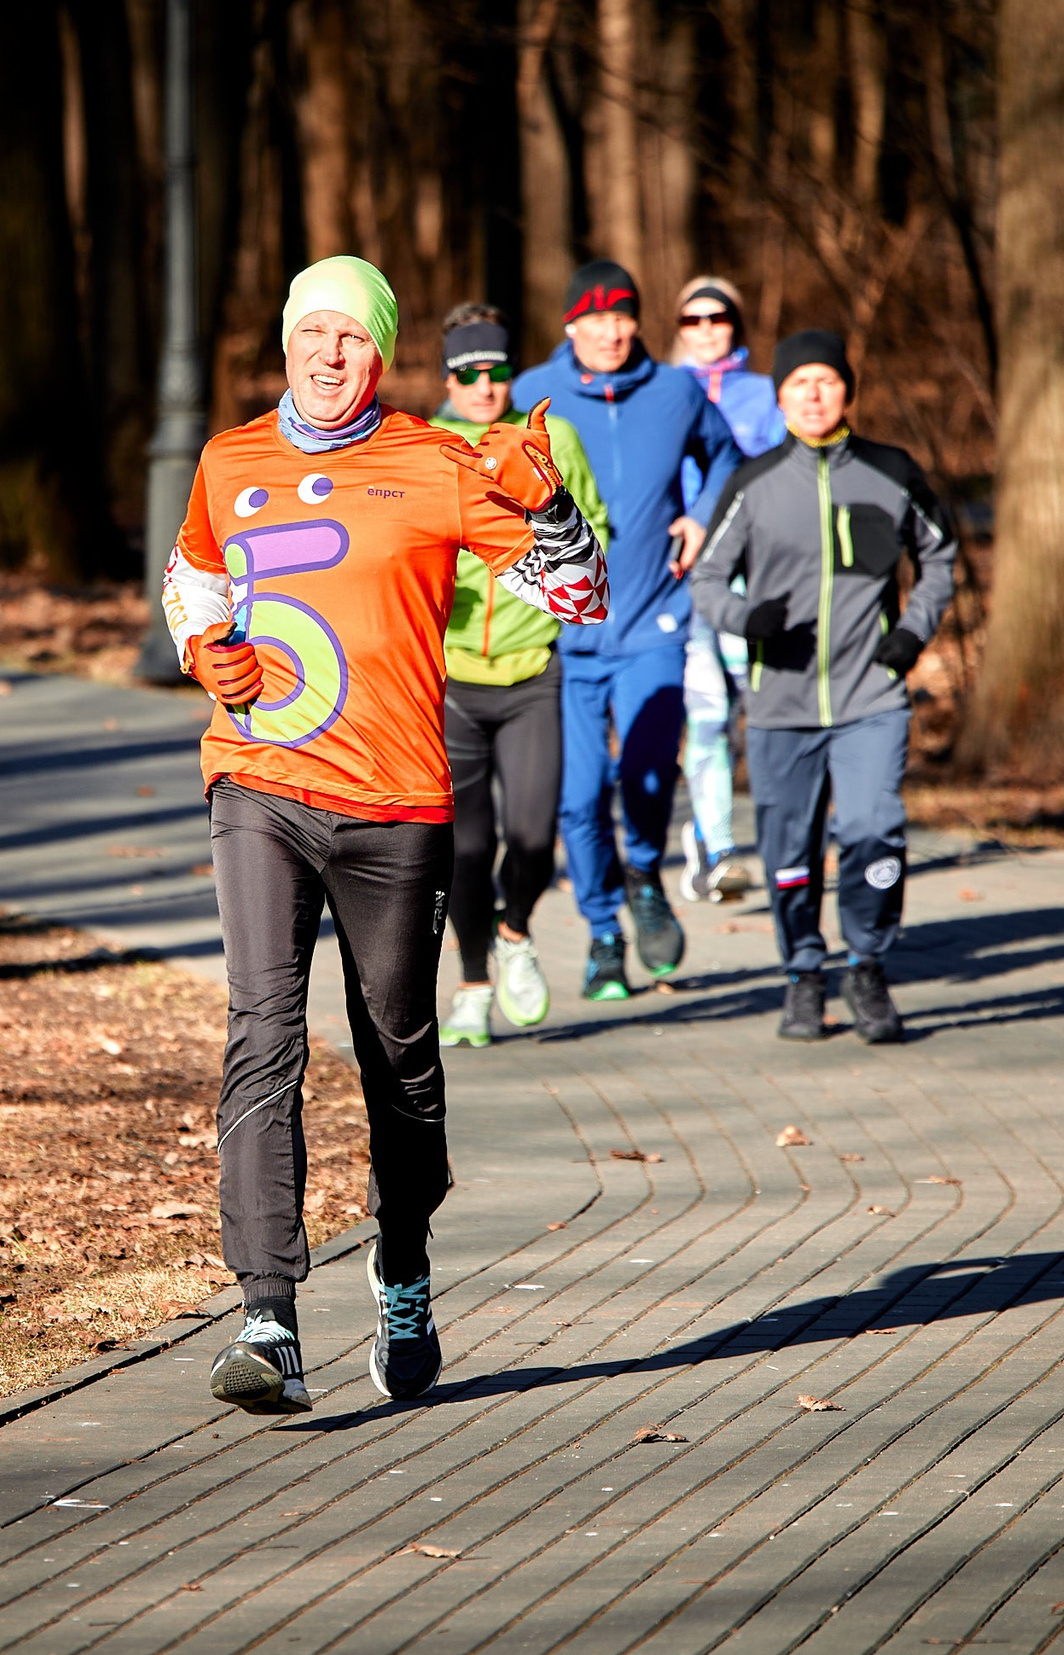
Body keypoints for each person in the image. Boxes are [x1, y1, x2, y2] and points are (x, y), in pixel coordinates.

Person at [163, 257, 607, 1413]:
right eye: (310, 333)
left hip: (396, 805)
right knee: (262, 1028)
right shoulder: (230, 461)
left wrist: (547, 503)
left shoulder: (434, 461)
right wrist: (202, 651)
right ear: (284, 345)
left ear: (381, 353)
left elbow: (581, 597)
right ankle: (269, 1317)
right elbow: (192, 581)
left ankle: (402, 1264)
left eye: (350, 338)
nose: (327, 354)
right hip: (259, 783)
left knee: (399, 1056)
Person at [689, 330, 957, 1045]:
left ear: (848, 391)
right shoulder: (753, 483)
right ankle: (804, 973)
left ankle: (868, 964)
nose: (813, 394)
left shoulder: (892, 471)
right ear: (777, 396)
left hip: (872, 694)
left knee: (874, 829)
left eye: (826, 381)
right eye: (798, 383)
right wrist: (748, 620)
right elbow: (707, 579)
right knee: (789, 851)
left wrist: (909, 638)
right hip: (780, 701)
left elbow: (940, 556)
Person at [513, 261, 740, 1002]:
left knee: (645, 773)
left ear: (637, 322)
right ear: (569, 325)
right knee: (577, 799)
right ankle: (604, 930)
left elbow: (729, 455)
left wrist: (702, 516)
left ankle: (643, 870)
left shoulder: (677, 392)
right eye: (594, 317)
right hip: (565, 637)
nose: (610, 330)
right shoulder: (529, 399)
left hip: (654, 620)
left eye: (623, 316)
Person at [428, 304, 611, 1049]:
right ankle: (472, 987)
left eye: (497, 371)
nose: (484, 386)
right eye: (468, 374)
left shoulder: (554, 436)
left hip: (534, 667)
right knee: (468, 847)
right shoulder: (427, 445)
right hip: (454, 678)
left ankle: (516, 932)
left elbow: (592, 528)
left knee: (534, 834)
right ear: (446, 379)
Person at [670, 275, 787, 905]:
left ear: (736, 324)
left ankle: (775, 834)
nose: (706, 328)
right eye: (692, 319)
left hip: (750, 572)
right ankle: (717, 850)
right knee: (707, 713)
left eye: (718, 317)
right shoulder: (663, 392)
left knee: (758, 703)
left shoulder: (766, 394)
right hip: (685, 574)